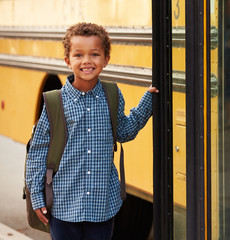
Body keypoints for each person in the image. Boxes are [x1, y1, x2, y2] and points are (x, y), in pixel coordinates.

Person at [25, 22, 159, 240]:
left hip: (102, 207)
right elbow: (38, 155)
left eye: (95, 54)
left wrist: (148, 102)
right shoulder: (54, 102)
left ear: (105, 59)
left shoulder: (112, 95)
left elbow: (124, 131)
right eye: (78, 55)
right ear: (68, 61)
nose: (87, 61)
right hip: (63, 207)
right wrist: (37, 199)